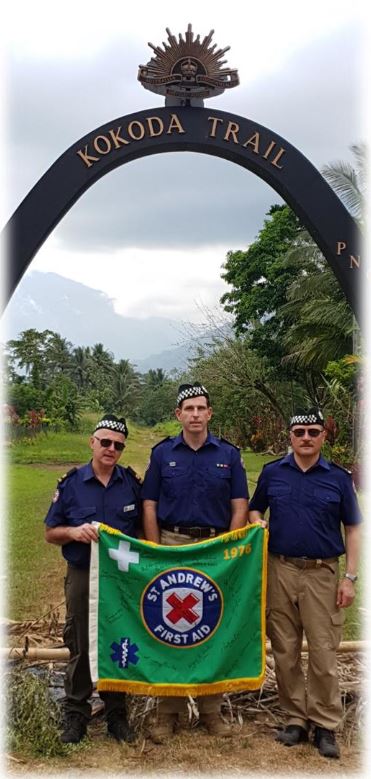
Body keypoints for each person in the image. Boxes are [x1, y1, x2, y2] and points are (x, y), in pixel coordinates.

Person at [249, 407, 362, 759]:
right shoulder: (272, 473)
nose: (306, 438)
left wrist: (350, 577)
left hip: (322, 574)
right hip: (280, 569)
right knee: (284, 650)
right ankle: (296, 717)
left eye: (313, 432)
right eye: (300, 432)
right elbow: (256, 509)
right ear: (290, 436)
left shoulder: (339, 479)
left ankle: (325, 723)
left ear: (323, 436)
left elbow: (354, 528)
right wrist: (258, 523)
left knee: (324, 652)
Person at [141, 382, 249, 741]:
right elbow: (150, 505)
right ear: (178, 415)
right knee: (168, 629)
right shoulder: (161, 454)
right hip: (171, 543)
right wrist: (156, 550)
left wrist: (228, 548)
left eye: (201, 408)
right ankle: (166, 714)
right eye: (189, 409)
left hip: (215, 549)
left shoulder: (229, 455)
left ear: (210, 413)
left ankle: (211, 711)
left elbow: (239, 507)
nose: (196, 414)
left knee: (211, 628)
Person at [44, 414, 142, 744]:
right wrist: (73, 531)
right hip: (83, 574)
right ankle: (76, 714)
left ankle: (117, 715)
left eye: (118, 445)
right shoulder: (71, 485)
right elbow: (50, 532)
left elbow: (142, 531)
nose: (111, 449)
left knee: (119, 642)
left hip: (120, 580)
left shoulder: (130, 484)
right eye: (105, 442)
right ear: (92, 442)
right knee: (80, 644)